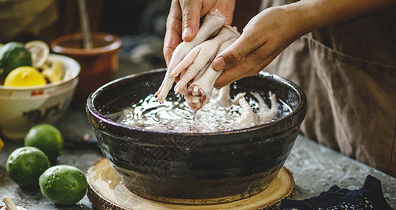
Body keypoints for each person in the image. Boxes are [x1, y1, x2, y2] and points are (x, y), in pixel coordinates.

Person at [163, 0, 396, 176]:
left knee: (365, 180)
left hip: (370, 63)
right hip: (278, 23)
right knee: (282, 128)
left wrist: (301, 16)